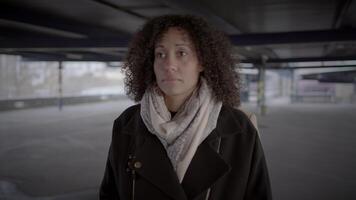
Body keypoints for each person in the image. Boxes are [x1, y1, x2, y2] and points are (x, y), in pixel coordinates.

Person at [99, 15, 272, 200]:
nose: (169, 65)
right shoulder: (127, 124)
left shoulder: (240, 129)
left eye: (181, 53)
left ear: (202, 62)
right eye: (160, 54)